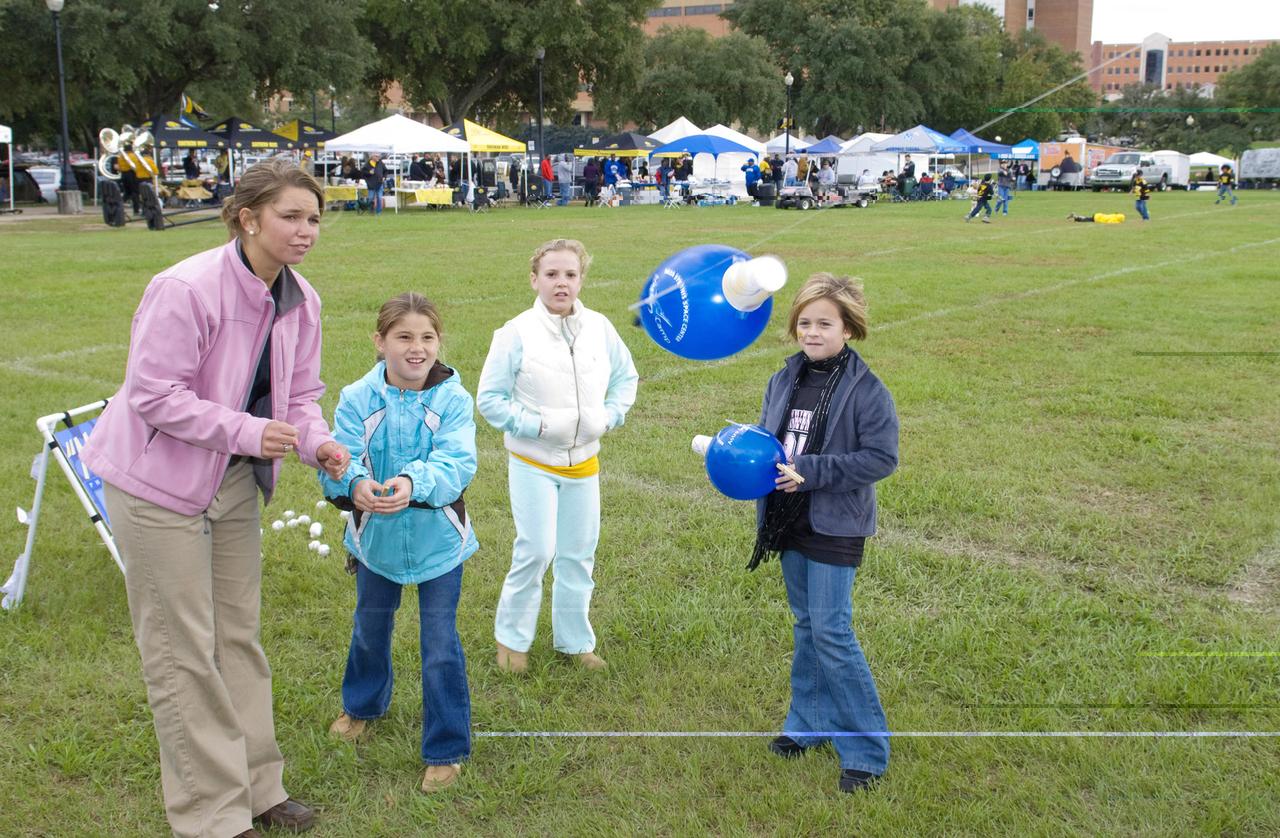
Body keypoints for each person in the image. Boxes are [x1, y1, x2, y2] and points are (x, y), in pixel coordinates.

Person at [80, 157, 350, 837]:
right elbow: (155, 396)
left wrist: (317, 442)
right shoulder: (185, 288)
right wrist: (252, 431)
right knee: (182, 649)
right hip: (156, 486)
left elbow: (302, 398)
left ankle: (261, 789)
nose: (305, 230)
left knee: (237, 637)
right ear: (247, 217)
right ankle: (212, 816)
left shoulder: (302, 300)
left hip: (232, 481)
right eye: (290, 216)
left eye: (314, 217)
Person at [321, 292, 479, 794]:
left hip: (439, 547)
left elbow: (457, 464)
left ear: (439, 343)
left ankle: (446, 746)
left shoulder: (453, 398)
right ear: (380, 342)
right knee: (369, 628)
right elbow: (339, 459)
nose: (417, 348)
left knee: (439, 646)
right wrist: (355, 486)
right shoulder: (356, 398)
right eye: (404, 337)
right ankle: (363, 706)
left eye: (427, 337)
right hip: (376, 546)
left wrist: (412, 482)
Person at [750, 272, 898, 795]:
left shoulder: (868, 391)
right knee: (806, 624)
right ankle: (807, 724)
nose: (812, 332)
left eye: (824, 324)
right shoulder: (783, 378)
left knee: (832, 630)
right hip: (787, 520)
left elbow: (881, 458)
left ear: (849, 329)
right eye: (804, 323)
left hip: (835, 523)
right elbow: (769, 442)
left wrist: (812, 471)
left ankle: (866, 750)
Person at [477, 239, 638, 674]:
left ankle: (575, 642)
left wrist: (609, 416)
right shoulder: (515, 333)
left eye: (570, 274)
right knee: (536, 550)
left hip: (584, 465)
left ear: (581, 279)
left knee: (578, 554)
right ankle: (512, 641)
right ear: (535, 279)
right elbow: (489, 399)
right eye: (551, 274)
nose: (561, 283)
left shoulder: (600, 328)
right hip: (533, 463)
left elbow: (626, 377)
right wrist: (538, 426)